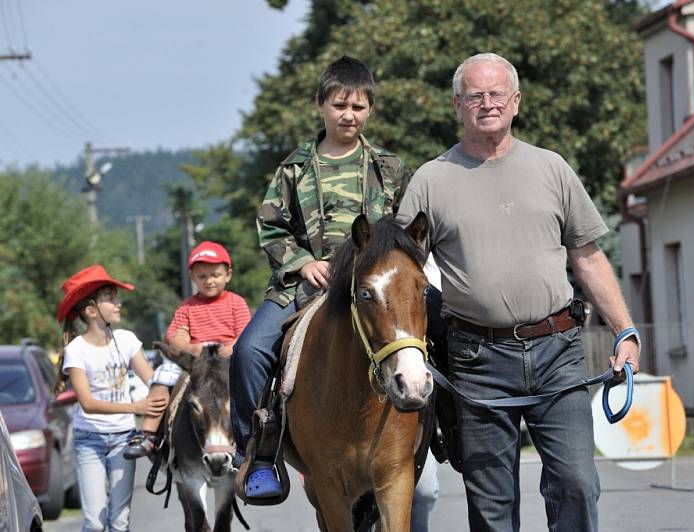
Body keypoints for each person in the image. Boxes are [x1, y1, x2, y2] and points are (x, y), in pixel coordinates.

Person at [397, 53, 641, 532]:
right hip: (476, 359)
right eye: (474, 96)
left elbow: (588, 256)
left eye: (496, 94)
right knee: (491, 502)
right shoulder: (431, 179)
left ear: (515, 102)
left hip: (558, 352)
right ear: (457, 105)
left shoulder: (551, 168)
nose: (487, 104)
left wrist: (625, 330)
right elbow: (402, 270)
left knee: (575, 482)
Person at [230, 55, 414, 499]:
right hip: (305, 288)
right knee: (249, 351)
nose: (348, 115)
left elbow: (407, 232)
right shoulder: (293, 168)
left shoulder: (389, 167)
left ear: (370, 110)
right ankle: (257, 452)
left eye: (358, 107)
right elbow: (270, 226)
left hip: (377, 290)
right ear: (320, 105)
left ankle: (448, 430)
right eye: (339, 105)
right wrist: (301, 263)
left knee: (436, 332)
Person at [55, 264, 167, 532]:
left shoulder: (127, 340)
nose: (118, 304)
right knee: (94, 523)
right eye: (111, 298)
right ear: (91, 310)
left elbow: (152, 381)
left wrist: (170, 376)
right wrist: (136, 406)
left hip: (123, 438)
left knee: (119, 520)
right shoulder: (77, 350)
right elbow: (87, 403)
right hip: (89, 440)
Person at [123, 240, 251, 459]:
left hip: (226, 360)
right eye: (202, 276)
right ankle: (149, 434)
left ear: (228, 275)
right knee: (162, 377)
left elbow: (245, 333)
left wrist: (230, 346)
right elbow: (173, 337)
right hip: (195, 363)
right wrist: (190, 347)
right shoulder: (187, 306)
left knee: (254, 377)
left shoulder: (236, 303)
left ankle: (262, 428)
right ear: (193, 277)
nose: (209, 281)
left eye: (216, 275)